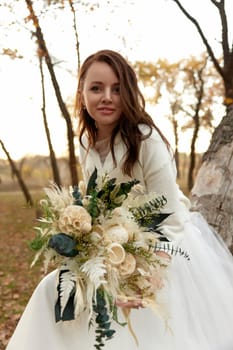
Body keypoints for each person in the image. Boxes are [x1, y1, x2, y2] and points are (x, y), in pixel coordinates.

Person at [6, 49, 233, 350]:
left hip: (162, 246)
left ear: (129, 93)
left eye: (117, 88)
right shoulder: (87, 142)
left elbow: (173, 217)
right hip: (115, 245)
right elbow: (97, 204)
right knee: (55, 291)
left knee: (136, 319)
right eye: (96, 88)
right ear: (82, 94)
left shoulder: (146, 141)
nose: (107, 97)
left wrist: (149, 274)